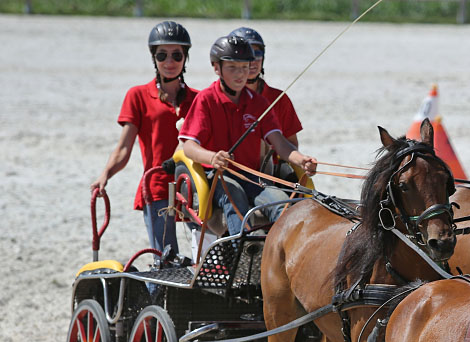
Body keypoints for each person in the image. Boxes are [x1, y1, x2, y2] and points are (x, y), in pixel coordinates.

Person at [178, 35, 317, 237]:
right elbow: (189, 146)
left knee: (279, 200)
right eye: (232, 67)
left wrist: (301, 159)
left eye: (244, 67)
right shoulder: (206, 100)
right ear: (217, 68)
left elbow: (280, 144)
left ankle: (283, 253)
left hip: (251, 176)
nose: (240, 74)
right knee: (234, 196)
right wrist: (213, 158)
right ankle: (242, 253)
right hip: (217, 176)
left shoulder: (258, 103)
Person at [91, 21, 197, 255]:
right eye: (162, 55)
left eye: (176, 55)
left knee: (207, 257)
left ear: (185, 57)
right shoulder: (137, 95)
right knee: (165, 259)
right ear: (154, 58)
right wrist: (105, 175)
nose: (169, 62)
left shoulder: (199, 99)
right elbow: (123, 148)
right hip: (157, 186)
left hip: (194, 187)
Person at [228, 26, 303, 180]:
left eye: (258, 54)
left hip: (271, 169)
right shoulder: (218, 98)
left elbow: (292, 143)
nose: (253, 60)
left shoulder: (278, 98)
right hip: (233, 170)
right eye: (246, 55)